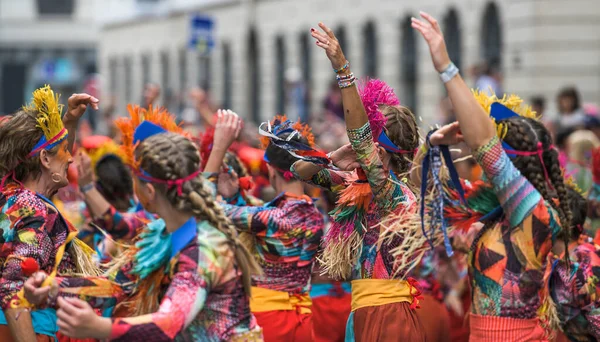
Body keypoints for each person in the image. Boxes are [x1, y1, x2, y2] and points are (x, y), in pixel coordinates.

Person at [23, 105, 263, 341]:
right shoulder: (159, 234)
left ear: (148, 191)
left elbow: (168, 323)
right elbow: (117, 286)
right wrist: (53, 288)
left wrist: (100, 327)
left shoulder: (204, 247)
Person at [409, 11, 571, 340]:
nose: (485, 163)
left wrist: (446, 68)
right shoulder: (494, 212)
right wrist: (432, 145)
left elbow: (484, 144)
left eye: (497, 160)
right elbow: (420, 186)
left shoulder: (534, 212)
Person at [292, 23, 424, 341]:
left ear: (377, 150)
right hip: (364, 311)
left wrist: (342, 67)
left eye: (366, 138)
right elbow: (300, 171)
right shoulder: (366, 186)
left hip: (388, 316)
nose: (360, 143)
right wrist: (332, 157)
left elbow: (360, 138)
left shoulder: (393, 193)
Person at [204, 110, 325, 342]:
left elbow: (205, 207)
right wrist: (234, 198)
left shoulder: (270, 218)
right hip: (303, 321)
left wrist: (218, 149)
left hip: (267, 322)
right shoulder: (315, 216)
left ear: (271, 170)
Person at [0, 85, 100, 342]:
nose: (70, 159)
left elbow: (52, 169)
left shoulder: (13, 195)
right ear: (44, 159)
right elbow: (12, 288)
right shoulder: (35, 210)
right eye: (66, 150)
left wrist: (69, 121)